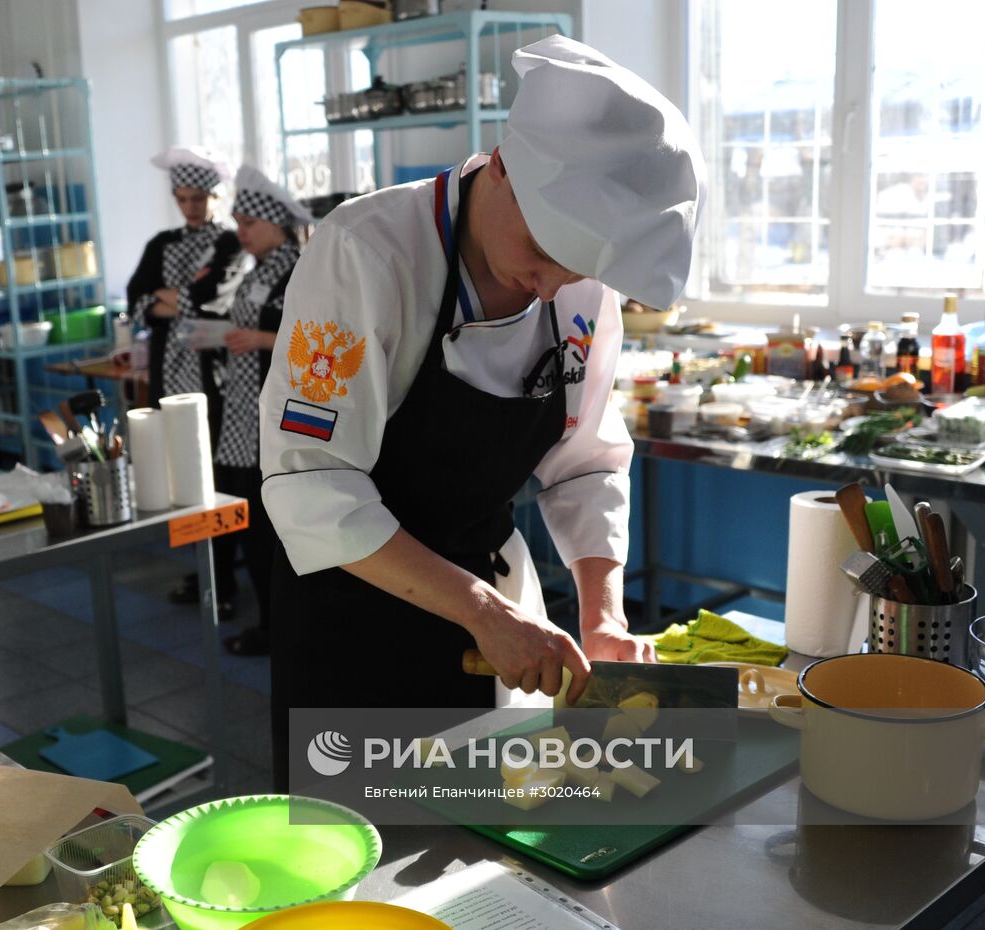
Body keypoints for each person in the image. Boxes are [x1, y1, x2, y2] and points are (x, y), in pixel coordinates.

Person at [259, 36, 704, 786]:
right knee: (366, 862)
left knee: (483, 850)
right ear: (500, 166)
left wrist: (603, 615)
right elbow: (311, 481)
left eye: (582, 267)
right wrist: (485, 613)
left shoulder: (581, 292)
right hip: (355, 615)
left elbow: (585, 460)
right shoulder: (366, 254)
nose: (551, 282)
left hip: (495, 611)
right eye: (542, 246)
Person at [126, 146, 245, 611]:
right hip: (170, 376)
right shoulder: (160, 243)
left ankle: (227, 584)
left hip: (219, 381)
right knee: (183, 475)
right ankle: (206, 574)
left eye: (199, 198)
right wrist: (178, 299)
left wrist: (168, 299)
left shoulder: (233, 244)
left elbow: (214, 300)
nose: (192, 207)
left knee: (218, 476)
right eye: (183, 199)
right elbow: (136, 301)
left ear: (216, 197)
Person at [213, 166, 312, 656]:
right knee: (249, 524)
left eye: (249, 222)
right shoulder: (259, 272)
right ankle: (272, 622)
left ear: (276, 224)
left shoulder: (301, 269)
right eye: (238, 221)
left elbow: (318, 338)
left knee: (270, 531)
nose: (241, 231)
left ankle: (281, 629)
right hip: (242, 415)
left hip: (277, 417)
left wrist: (261, 339)